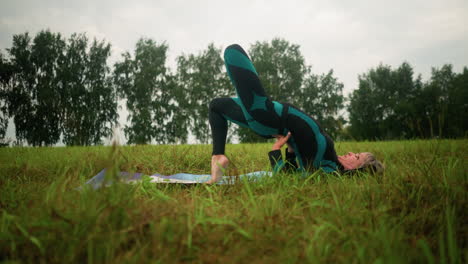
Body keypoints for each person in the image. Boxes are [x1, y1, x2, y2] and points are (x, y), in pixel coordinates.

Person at [206, 44, 383, 184]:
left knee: (233, 51)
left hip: (268, 116)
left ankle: (219, 158)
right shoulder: (328, 163)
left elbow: (286, 180)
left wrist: (276, 150)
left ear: (357, 170)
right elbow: (296, 173)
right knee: (216, 106)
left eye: (357, 157)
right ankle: (218, 156)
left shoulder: (331, 170)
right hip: (271, 118)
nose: (352, 153)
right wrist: (291, 148)